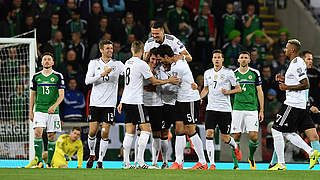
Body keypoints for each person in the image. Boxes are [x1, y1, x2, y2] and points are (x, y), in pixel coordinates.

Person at [117, 41, 180, 169]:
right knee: (146, 130)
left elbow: (127, 84)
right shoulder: (142, 64)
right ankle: (140, 161)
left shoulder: (127, 63)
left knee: (130, 132)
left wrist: (122, 101)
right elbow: (154, 81)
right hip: (137, 101)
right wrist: (169, 80)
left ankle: (126, 162)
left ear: (132, 49)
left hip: (128, 101)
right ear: (142, 51)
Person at [270, 39, 320, 170]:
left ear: (292, 50)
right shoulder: (294, 63)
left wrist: (286, 87)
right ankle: (311, 153)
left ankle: (281, 164)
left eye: (286, 48)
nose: (284, 50)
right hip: (299, 105)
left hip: (292, 104)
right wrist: (284, 79)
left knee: (276, 130)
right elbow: (297, 80)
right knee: (287, 132)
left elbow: (305, 84)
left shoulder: (296, 64)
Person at [157, 44, 207, 169]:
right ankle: (178, 162)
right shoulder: (177, 61)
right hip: (180, 100)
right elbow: (184, 56)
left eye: (162, 59)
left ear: (167, 57)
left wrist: (157, 85)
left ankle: (203, 162)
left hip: (189, 100)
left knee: (190, 130)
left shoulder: (178, 67)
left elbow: (171, 87)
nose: (161, 62)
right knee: (178, 129)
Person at [85, 40, 125, 169]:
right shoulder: (94, 63)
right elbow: (87, 81)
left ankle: (100, 161)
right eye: (107, 48)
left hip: (109, 104)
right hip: (95, 103)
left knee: (104, 132)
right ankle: (92, 154)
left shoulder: (118, 64)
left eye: (111, 48)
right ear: (101, 50)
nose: (110, 50)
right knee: (92, 131)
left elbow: (128, 73)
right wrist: (101, 74)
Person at [200, 50, 242, 170]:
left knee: (225, 138)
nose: (217, 59)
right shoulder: (207, 73)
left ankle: (235, 147)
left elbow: (238, 89)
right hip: (211, 109)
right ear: (212, 59)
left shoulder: (229, 73)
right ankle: (212, 164)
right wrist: (199, 98)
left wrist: (228, 91)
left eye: (219, 57)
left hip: (225, 110)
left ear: (222, 60)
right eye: (215, 57)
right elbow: (205, 89)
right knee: (209, 133)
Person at [29, 52, 65, 168]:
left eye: (49, 59)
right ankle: (39, 161)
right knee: (37, 132)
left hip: (53, 111)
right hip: (39, 109)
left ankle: (49, 163)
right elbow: (33, 95)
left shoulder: (58, 76)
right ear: (41, 62)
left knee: (51, 136)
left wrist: (54, 106)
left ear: (53, 62)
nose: (47, 61)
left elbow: (61, 95)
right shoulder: (36, 77)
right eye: (45, 59)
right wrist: (31, 111)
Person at [231, 51, 264, 170]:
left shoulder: (255, 73)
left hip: (252, 108)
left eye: (246, 58)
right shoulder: (233, 74)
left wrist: (261, 110)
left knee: (254, 136)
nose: (244, 59)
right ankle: (235, 164)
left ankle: (250, 157)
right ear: (238, 60)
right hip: (237, 108)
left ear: (249, 60)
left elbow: (260, 91)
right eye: (242, 58)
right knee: (235, 136)